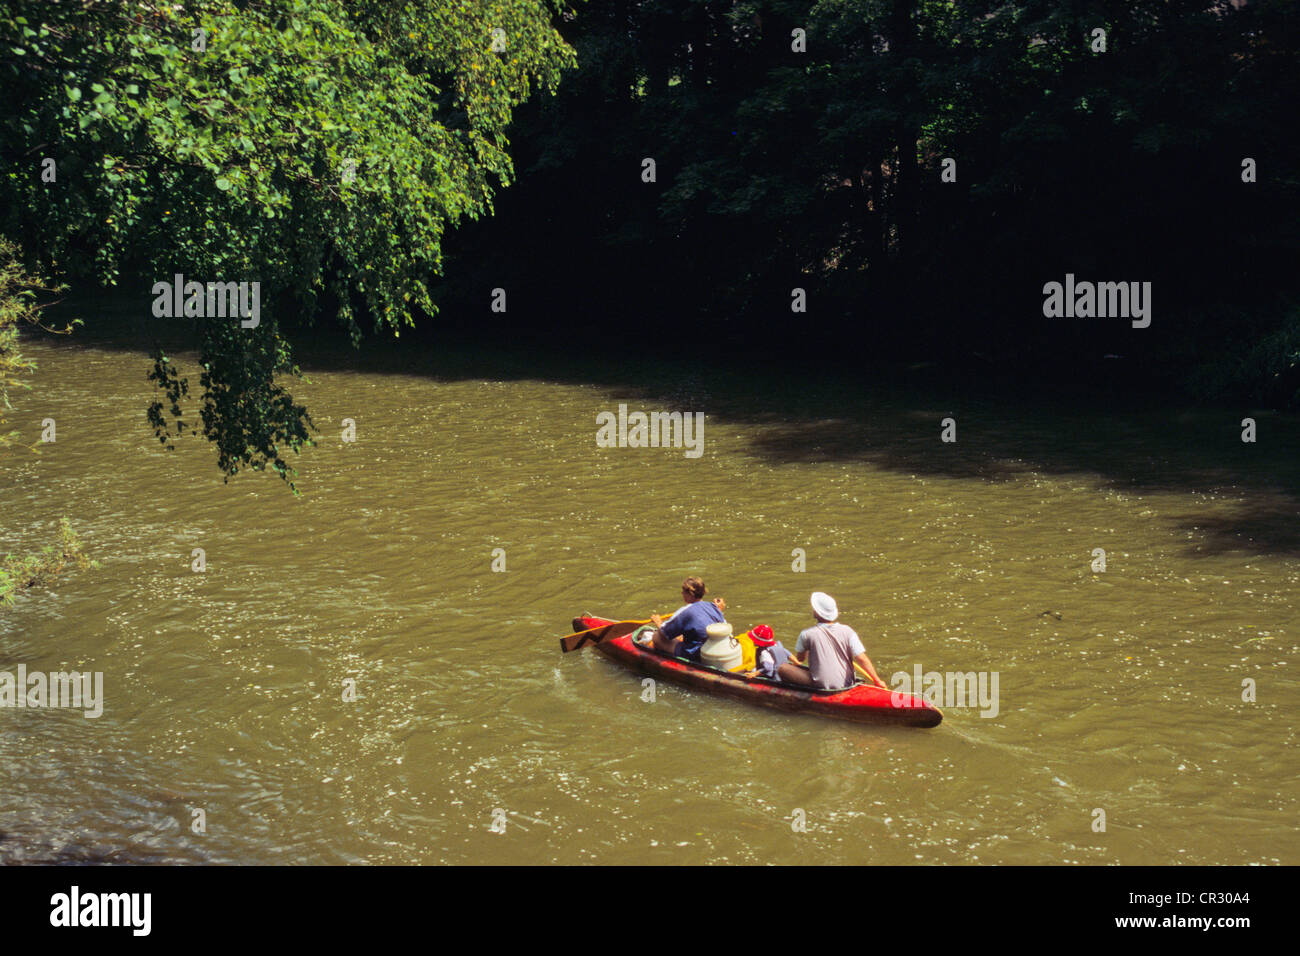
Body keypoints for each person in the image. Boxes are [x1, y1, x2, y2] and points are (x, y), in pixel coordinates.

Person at [778, 592, 887, 690]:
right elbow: (862, 658)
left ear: (817, 612)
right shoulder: (848, 631)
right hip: (848, 682)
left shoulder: (806, 634)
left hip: (821, 684)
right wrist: (877, 680)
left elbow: (800, 659)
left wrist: (809, 648)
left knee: (782, 668)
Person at [649, 576, 726, 661]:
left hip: (696, 654)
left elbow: (664, 634)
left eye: (683, 591)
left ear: (690, 593)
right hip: (716, 649)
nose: (682, 593)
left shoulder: (685, 611)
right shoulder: (714, 607)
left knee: (657, 637)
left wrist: (658, 622)